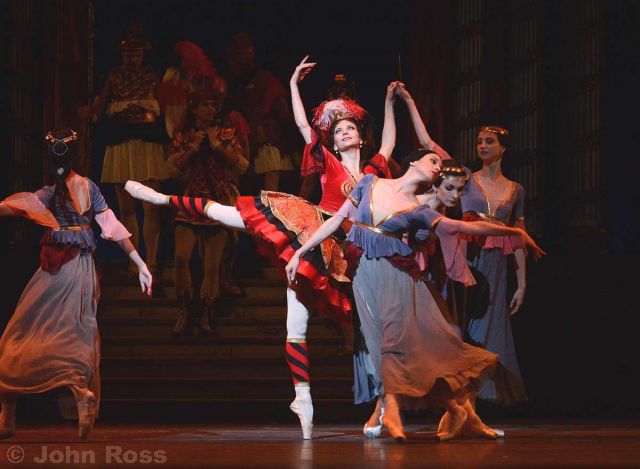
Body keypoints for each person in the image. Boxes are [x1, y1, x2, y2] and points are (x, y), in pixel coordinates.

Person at [123, 56, 399, 439]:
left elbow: (390, 141)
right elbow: (302, 125)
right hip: (312, 229)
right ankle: (162, 199)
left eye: (350, 128)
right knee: (234, 217)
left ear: (361, 136)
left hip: (348, 247)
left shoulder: (373, 171)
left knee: (351, 325)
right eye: (338, 131)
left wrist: (391, 101)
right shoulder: (328, 161)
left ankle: (376, 402)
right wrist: (293, 84)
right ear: (333, 142)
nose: (344, 133)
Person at [284, 150, 544, 441]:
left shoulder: (419, 209)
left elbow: (460, 226)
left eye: (439, 165)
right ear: (413, 162)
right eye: (433, 161)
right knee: (380, 343)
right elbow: (336, 220)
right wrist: (300, 252)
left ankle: (394, 412)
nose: (437, 167)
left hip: (395, 276)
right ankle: (455, 410)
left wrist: (513, 232)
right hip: (363, 274)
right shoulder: (369, 183)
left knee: (398, 343)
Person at [0, 130, 152, 439]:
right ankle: (25, 409)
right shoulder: (65, 190)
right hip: (75, 269)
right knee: (66, 331)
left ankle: (30, 405)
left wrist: (140, 263)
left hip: (65, 270)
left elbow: (111, 227)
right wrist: (139, 263)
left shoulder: (64, 190)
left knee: (27, 330)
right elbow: (112, 227)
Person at [167, 85, 249, 336]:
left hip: (217, 201)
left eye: (213, 105)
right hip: (191, 200)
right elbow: (174, 169)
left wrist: (215, 145)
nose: (210, 109)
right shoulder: (184, 134)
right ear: (194, 108)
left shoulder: (225, 133)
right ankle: (184, 310)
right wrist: (194, 147)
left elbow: (241, 165)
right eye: (205, 104)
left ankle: (205, 314)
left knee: (212, 265)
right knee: (181, 257)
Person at [459, 125, 531, 405]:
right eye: (479, 141)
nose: (483, 146)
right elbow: (431, 145)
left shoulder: (516, 190)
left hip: (497, 263)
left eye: (489, 141)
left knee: (490, 324)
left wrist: (522, 284)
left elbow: (519, 238)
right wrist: (408, 104)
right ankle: (459, 397)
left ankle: (477, 396)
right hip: (469, 257)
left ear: (503, 148)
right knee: (464, 323)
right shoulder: (466, 178)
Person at [91, 23, 168, 277]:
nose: (132, 58)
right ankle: (134, 261)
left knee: (150, 207)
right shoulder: (112, 77)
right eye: (128, 54)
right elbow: (100, 105)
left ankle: (152, 259)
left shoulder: (153, 77)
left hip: (147, 143)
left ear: (143, 54)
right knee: (126, 208)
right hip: (121, 142)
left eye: (136, 54)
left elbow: (167, 107)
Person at [226, 33, 291, 191]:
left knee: (270, 189)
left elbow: (283, 110)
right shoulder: (236, 83)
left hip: (267, 141)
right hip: (243, 141)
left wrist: (265, 127)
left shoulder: (264, 78)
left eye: (247, 49)